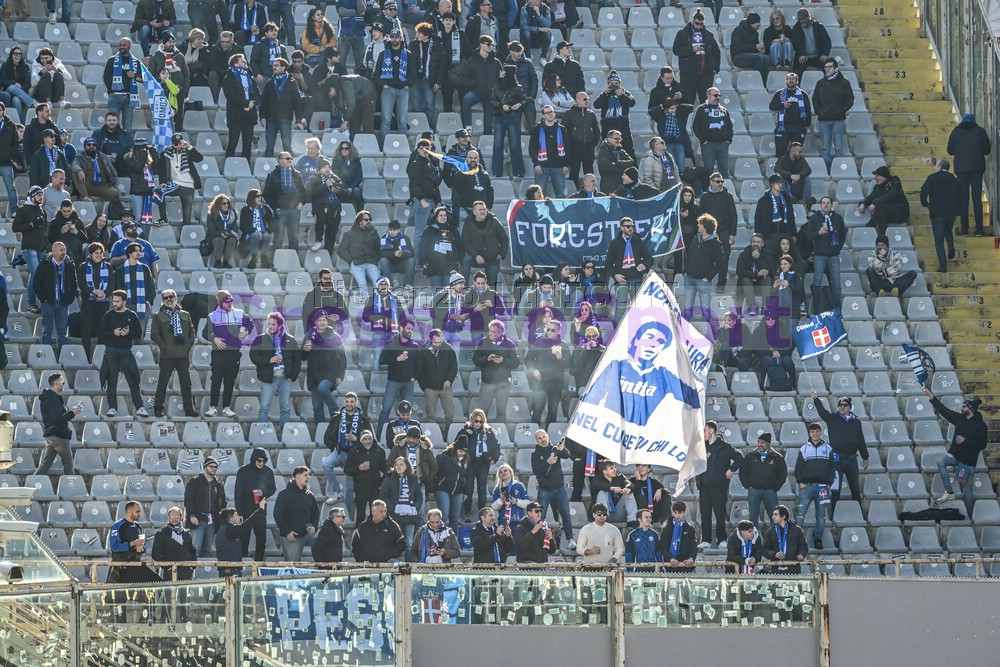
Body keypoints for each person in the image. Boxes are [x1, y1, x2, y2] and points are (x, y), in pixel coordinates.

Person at [582, 319, 701, 422]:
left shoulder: (664, 375)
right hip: (613, 430)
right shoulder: (616, 366)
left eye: (660, 341)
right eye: (649, 337)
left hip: (643, 436)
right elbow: (591, 401)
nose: (653, 344)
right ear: (636, 340)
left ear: (663, 348)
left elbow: (693, 399)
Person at [927, 387, 989, 514]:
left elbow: (982, 444)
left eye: (964, 406)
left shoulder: (980, 425)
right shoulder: (959, 419)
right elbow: (944, 411)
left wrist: (965, 440)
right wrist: (931, 397)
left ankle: (970, 517)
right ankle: (949, 491)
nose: (962, 408)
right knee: (941, 462)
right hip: (956, 456)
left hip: (968, 462)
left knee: (967, 492)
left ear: (971, 409)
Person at [202, 290, 254, 417]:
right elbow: (205, 332)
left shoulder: (239, 313)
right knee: (216, 380)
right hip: (218, 353)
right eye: (227, 302)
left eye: (231, 301)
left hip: (234, 353)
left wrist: (246, 332)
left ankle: (227, 408)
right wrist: (214, 339)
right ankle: (213, 407)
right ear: (220, 303)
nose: (230, 304)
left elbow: (251, 324)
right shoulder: (212, 316)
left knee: (229, 381)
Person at [322, 391, 373, 512]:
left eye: (352, 402)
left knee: (350, 487)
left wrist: (357, 439)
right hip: (340, 452)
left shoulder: (363, 419)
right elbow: (327, 436)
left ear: (356, 402)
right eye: (347, 401)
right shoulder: (337, 417)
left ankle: (348, 514)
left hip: (355, 456)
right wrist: (335, 446)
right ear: (344, 402)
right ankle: (337, 492)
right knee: (325, 464)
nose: (349, 404)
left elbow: (370, 441)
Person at [250, 311, 302, 428]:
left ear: (280, 325)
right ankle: (262, 433)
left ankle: (285, 434)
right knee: (264, 408)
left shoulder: (291, 340)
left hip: (285, 379)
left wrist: (293, 376)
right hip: (268, 379)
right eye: (269, 324)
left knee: (285, 408)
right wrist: (269, 360)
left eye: (273, 324)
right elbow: (253, 357)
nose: (270, 326)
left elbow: (297, 359)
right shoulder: (260, 339)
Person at [696, 420, 744, 548]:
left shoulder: (725, 447)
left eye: (705, 430)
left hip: (719, 487)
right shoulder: (701, 447)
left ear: (712, 431)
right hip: (704, 487)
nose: (703, 433)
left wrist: (731, 469)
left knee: (720, 514)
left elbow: (740, 458)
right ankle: (706, 540)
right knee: (705, 514)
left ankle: (722, 539)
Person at [149, 288, 196, 418]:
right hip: (167, 355)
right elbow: (154, 334)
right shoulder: (158, 316)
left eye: (171, 297)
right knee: (163, 383)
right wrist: (164, 346)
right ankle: (158, 408)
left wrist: (187, 347)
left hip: (182, 355)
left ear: (176, 298)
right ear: (163, 300)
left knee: (186, 384)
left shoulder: (185, 314)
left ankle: (189, 409)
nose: (169, 300)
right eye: (165, 298)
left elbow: (192, 333)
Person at [946, 113, 991, 236]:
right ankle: (979, 230)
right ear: (974, 121)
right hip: (977, 170)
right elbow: (987, 150)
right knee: (977, 200)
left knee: (963, 200)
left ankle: (964, 229)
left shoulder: (955, 132)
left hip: (961, 171)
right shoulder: (980, 131)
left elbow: (950, 151)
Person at [794, 422, 837, 550]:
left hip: (823, 487)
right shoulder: (804, 449)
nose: (815, 434)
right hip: (807, 486)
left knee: (821, 515)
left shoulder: (828, 449)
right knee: (800, 514)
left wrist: (829, 483)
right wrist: (800, 482)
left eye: (817, 431)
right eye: (812, 431)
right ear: (809, 433)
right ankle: (797, 540)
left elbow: (832, 468)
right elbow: (798, 468)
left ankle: (818, 538)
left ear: (821, 432)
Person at [530, 430, 575, 550]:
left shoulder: (554, 449)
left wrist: (562, 449)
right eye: (539, 438)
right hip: (544, 490)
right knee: (540, 517)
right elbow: (536, 471)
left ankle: (570, 540)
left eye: (544, 436)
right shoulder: (535, 454)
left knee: (566, 515)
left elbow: (567, 455)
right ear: (536, 441)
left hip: (559, 488)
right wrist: (547, 462)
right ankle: (538, 541)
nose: (543, 439)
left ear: (548, 436)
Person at [376, 321, 421, 437]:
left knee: (406, 412)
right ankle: (379, 437)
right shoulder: (391, 344)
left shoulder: (414, 346)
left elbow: (420, 364)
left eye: (412, 329)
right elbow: (381, 360)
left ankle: (407, 437)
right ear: (401, 328)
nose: (410, 331)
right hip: (393, 382)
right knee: (385, 410)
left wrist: (414, 377)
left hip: (408, 383)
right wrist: (396, 359)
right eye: (408, 328)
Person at [454, 408, 501, 518]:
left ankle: (482, 513)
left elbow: (496, 446)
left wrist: (494, 458)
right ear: (472, 420)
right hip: (470, 462)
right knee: (468, 488)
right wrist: (465, 432)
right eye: (476, 421)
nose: (478, 423)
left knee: (482, 488)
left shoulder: (488, 432)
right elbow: (456, 443)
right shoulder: (466, 430)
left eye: (480, 421)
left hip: (483, 462)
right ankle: (467, 512)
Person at [604, 216, 652, 319]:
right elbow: (608, 263)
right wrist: (615, 275)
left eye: (632, 226)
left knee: (637, 307)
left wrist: (644, 265)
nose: (630, 228)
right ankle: (617, 329)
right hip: (621, 280)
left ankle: (636, 328)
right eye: (628, 226)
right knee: (621, 307)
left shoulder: (638, 241)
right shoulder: (615, 243)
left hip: (636, 278)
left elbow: (649, 259)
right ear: (622, 228)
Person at [472, 319, 521, 420]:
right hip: (487, 382)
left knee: (501, 411)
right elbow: (475, 360)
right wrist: (487, 359)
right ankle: (481, 429)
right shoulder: (483, 342)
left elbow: (516, 362)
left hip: (503, 383)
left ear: (501, 332)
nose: (491, 333)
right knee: (482, 412)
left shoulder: (509, 344)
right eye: (490, 331)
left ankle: (501, 429)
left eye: (494, 332)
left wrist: (503, 360)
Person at [233, 447, 277, 561]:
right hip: (246, 511)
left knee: (261, 540)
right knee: (244, 540)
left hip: (260, 510)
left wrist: (263, 493)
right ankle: (243, 565)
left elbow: (272, 488)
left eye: (263, 461)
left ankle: (258, 564)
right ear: (254, 459)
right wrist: (239, 513)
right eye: (259, 460)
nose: (261, 463)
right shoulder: (243, 471)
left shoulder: (268, 471)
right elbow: (238, 493)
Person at [303, 313, 348, 423]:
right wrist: (304, 349)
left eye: (324, 320)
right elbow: (302, 357)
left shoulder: (334, 336)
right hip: (313, 375)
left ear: (327, 322)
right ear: (315, 322)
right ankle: (321, 428)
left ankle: (334, 409)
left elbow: (342, 358)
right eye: (319, 320)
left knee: (322, 388)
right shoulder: (309, 335)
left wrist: (340, 376)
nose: (322, 322)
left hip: (329, 373)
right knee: (317, 407)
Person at [525, 318, 570, 428]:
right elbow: (528, 359)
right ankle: (534, 433)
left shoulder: (563, 345)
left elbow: (569, 364)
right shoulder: (539, 343)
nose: (550, 332)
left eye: (553, 330)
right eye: (548, 329)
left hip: (556, 383)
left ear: (559, 331)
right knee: (537, 409)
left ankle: (549, 434)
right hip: (541, 382)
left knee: (553, 410)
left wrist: (560, 357)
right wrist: (534, 370)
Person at [34, 372, 81, 475]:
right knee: (68, 463)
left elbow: (54, 416)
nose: (64, 385)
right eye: (62, 383)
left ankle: (32, 481)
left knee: (46, 463)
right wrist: (72, 413)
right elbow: (57, 419)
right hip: (58, 434)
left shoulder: (47, 397)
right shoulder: (53, 399)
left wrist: (64, 410)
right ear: (56, 383)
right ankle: (70, 484)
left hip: (50, 435)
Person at [34, 241, 77, 353]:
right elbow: (36, 283)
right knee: (46, 331)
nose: (64, 252)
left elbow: (74, 283)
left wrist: (69, 299)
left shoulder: (69, 264)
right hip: (48, 303)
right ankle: (45, 355)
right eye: (61, 250)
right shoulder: (44, 264)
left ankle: (62, 355)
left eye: (64, 249)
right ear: (53, 252)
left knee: (62, 332)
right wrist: (44, 299)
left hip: (63, 303)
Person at [804, 196, 845, 312]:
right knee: (817, 280)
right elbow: (808, 236)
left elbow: (842, 235)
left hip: (834, 255)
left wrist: (837, 248)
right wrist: (819, 232)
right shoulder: (814, 218)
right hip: (819, 255)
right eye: (823, 203)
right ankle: (817, 307)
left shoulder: (837, 218)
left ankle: (837, 308)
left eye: (828, 203)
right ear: (820, 205)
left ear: (831, 205)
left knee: (836, 282)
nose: (826, 204)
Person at [261, 150, 306, 255]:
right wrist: (275, 207)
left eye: (291, 158)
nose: (290, 160)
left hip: (295, 210)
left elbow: (303, 191)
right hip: (280, 211)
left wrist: (301, 202)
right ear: (280, 160)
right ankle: (275, 260)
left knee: (294, 238)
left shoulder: (296, 174)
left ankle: (293, 261)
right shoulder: (273, 175)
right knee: (278, 238)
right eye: (287, 158)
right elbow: (266, 193)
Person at [812, 60, 854, 172]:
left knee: (838, 147)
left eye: (830, 67)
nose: (827, 69)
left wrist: (841, 111)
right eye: (826, 67)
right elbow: (815, 99)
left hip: (838, 120)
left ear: (836, 68)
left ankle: (839, 170)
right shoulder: (820, 83)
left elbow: (850, 99)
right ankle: (826, 170)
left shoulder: (844, 82)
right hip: (823, 120)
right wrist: (819, 112)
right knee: (825, 148)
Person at [671, 10, 720, 105]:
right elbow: (676, 50)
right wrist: (691, 50)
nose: (699, 26)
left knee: (705, 102)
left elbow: (716, 52)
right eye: (697, 23)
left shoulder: (708, 35)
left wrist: (715, 68)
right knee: (687, 102)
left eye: (701, 24)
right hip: (688, 73)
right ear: (692, 21)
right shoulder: (682, 34)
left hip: (706, 73)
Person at [156, 133, 203, 227]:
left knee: (187, 217)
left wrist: (189, 147)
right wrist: (162, 182)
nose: (178, 146)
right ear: (172, 143)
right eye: (176, 144)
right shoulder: (165, 153)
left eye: (180, 143)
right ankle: (163, 218)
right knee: (158, 192)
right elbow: (162, 170)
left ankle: (185, 233)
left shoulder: (188, 151)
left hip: (189, 185)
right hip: (175, 184)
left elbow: (199, 158)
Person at [739, 433, 787, 527]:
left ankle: (775, 535)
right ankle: (754, 536)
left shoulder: (777, 457)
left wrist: (776, 487)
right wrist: (748, 486)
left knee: (775, 517)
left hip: (770, 491)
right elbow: (743, 472)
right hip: (754, 490)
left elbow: (783, 474)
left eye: (763, 442)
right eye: (759, 442)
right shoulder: (750, 456)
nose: (760, 444)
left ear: (768, 444)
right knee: (753, 517)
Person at [274, 466, 320, 562]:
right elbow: (278, 515)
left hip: (308, 534)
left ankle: (326, 569)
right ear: (297, 477)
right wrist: (287, 531)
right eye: (305, 475)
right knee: (292, 564)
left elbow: (316, 513)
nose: (308, 477)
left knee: (325, 539)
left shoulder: (309, 495)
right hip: (291, 535)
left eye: (308, 475)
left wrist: (314, 526)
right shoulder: (284, 494)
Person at [77, 242, 115, 358]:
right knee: (86, 331)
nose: (99, 255)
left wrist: (104, 294)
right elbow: (81, 284)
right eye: (96, 253)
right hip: (88, 303)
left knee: (102, 330)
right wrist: (94, 291)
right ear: (91, 254)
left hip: (103, 303)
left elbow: (111, 284)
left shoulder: (108, 266)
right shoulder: (83, 266)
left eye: (101, 253)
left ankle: (100, 357)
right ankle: (85, 357)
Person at [920, 159, 959, 272]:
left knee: (939, 240)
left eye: (936, 165)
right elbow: (960, 194)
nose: (935, 168)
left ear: (940, 166)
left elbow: (923, 191)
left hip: (937, 212)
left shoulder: (932, 178)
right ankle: (950, 244)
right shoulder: (954, 179)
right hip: (951, 212)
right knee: (948, 229)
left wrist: (925, 204)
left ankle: (943, 265)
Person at [683, 214, 724, 320]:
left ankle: (707, 329)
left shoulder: (716, 244)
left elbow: (719, 263)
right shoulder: (695, 239)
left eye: (700, 224)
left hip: (703, 281)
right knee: (687, 308)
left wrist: (708, 277)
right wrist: (686, 271)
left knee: (705, 310)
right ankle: (685, 328)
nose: (698, 225)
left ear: (705, 226)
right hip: (689, 278)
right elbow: (689, 255)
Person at [183, 456, 226, 557]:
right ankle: (193, 567)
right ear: (205, 467)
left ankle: (204, 568)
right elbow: (188, 500)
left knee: (207, 550)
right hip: (198, 519)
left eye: (215, 467)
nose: (213, 469)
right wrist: (191, 515)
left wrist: (220, 517)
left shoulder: (218, 485)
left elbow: (223, 503)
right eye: (211, 466)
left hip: (212, 521)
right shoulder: (194, 481)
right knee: (196, 548)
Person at [380, 457, 423, 553]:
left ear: (407, 466)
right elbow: (383, 496)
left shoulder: (413, 479)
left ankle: (409, 562)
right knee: (394, 542)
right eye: (397, 465)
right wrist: (393, 508)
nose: (398, 467)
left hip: (410, 515)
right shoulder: (388, 479)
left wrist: (415, 508)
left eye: (401, 464)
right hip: (395, 515)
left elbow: (419, 495)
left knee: (409, 543)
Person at [221, 53, 260, 161]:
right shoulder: (229, 78)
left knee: (247, 145)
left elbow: (257, 94)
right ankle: (228, 165)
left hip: (249, 116)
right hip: (235, 116)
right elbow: (230, 96)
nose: (246, 63)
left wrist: (252, 104)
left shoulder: (249, 77)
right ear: (236, 64)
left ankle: (246, 166)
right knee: (233, 142)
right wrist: (246, 103)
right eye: (243, 61)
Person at [490, 64, 527, 178]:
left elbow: (524, 100)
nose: (501, 73)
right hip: (500, 116)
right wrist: (502, 106)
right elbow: (492, 100)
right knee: (497, 145)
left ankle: (518, 171)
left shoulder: (517, 87)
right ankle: (497, 171)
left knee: (515, 145)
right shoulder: (496, 85)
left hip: (513, 116)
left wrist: (519, 104)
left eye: (504, 72)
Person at [406, 139, 443, 249]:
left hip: (431, 201)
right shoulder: (415, 164)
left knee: (429, 233)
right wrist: (422, 200)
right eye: (422, 148)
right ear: (418, 150)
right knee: (419, 233)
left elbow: (435, 185)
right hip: (422, 202)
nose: (424, 150)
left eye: (427, 148)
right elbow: (414, 185)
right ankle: (417, 259)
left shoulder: (430, 163)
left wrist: (438, 201)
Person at [108, 501, 157, 584]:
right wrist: (132, 544)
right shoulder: (118, 525)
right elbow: (114, 546)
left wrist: (141, 549)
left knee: (157, 582)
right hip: (121, 566)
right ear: (129, 512)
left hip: (136, 564)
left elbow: (143, 544)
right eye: (137, 512)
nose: (140, 514)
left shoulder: (138, 526)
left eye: (140, 511)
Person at [377, 28, 414, 136]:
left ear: (401, 38)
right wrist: (383, 85)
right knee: (386, 120)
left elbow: (413, 73)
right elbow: (377, 74)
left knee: (402, 121)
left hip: (403, 91)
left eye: (397, 37)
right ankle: (384, 144)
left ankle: (403, 144)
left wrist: (408, 85)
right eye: (392, 37)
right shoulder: (383, 54)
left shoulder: (408, 54)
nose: (394, 39)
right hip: (388, 90)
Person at [346, 430, 388, 523]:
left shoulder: (380, 451)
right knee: (360, 514)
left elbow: (385, 469)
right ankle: (360, 531)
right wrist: (358, 468)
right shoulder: (354, 452)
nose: (368, 441)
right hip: (360, 489)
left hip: (375, 489)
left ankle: (376, 531)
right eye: (365, 439)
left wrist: (380, 484)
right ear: (361, 440)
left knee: (376, 515)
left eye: (369, 439)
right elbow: (347, 470)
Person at [215, 502, 266, 577]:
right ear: (231, 518)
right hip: (231, 571)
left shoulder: (222, 529)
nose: (238, 517)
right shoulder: (230, 530)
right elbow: (247, 524)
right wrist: (260, 510)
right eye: (236, 515)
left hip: (226, 569)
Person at [594, 71, 636, 159]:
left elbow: (632, 103)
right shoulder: (605, 94)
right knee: (608, 150)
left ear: (620, 84)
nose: (614, 86)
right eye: (612, 84)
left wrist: (621, 95)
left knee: (628, 149)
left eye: (616, 83)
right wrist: (604, 94)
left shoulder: (625, 92)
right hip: (608, 126)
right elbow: (596, 105)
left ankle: (631, 166)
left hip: (623, 126)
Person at [692, 88, 733, 178]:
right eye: (715, 95)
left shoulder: (724, 110)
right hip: (708, 145)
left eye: (719, 95)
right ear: (708, 96)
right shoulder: (701, 109)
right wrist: (703, 141)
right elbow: (695, 127)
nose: (718, 97)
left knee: (724, 172)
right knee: (708, 171)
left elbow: (730, 127)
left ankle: (725, 187)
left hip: (723, 145)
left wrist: (728, 140)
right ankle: (708, 187)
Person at [859, 165, 910, 237]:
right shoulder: (877, 187)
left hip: (901, 213)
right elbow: (871, 197)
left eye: (878, 176)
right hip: (888, 214)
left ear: (884, 176)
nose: (875, 178)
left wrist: (874, 203)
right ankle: (882, 237)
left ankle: (868, 229)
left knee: (881, 207)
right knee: (881, 214)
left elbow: (892, 195)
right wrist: (863, 204)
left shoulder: (895, 182)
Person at [563, 91, 600, 187]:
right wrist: (570, 144)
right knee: (574, 171)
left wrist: (592, 143)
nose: (587, 101)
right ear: (577, 100)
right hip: (575, 147)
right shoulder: (569, 114)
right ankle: (574, 191)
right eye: (584, 99)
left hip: (588, 147)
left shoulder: (591, 114)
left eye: (588, 99)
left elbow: (596, 131)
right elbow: (564, 131)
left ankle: (591, 191)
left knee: (589, 171)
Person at [866, 234, 918, 299]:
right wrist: (880, 257)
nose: (880, 247)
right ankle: (879, 292)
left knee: (913, 273)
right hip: (879, 282)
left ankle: (898, 291)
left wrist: (884, 272)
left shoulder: (895, 254)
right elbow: (874, 267)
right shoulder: (872, 254)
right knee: (869, 270)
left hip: (893, 281)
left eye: (882, 245)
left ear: (887, 246)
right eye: (878, 245)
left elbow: (897, 268)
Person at [151, 507, 197, 580]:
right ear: (168, 517)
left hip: (187, 572)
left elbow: (193, 551)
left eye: (177, 517)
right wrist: (167, 566)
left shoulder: (186, 533)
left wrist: (192, 567)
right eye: (172, 517)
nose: (174, 519)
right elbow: (155, 554)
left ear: (181, 517)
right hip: (170, 572)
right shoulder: (162, 533)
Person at [589, 460, 638, 528]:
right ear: (604, 471)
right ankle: (602, 517)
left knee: (629, 493)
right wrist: (612, 488)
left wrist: (628, 488)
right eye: (611, 468)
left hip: (617, 513)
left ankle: (633, 522)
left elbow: (630, 484)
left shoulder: (620, 477)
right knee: (602, 492)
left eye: (615, 467)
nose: (615, 470)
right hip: (602, 516)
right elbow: (598, 485)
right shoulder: (597, 479)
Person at [734, 233, 774, 314]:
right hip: (746, 286)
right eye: (754, 242)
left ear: (762, 244)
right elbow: (739, 271)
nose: (756, 244)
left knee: (767, 278)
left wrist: (758, 259)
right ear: (751, 243)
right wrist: (756, 274)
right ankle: (752, 307)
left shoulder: (768, 254)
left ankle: (765, 307)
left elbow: (772, 271)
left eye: (758, 242)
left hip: (761, 286)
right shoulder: (744, 254)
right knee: (745, 279)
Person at [761, 504, 808, 574]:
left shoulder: (797, 530)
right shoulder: (770, 532)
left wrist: (801, 554)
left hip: (794, 570)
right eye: (773, 514)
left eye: (775, 514)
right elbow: (764, 550)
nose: (772, 517)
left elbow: (803, 546)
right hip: (776, 571)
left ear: (783, 516)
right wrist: (774, 554)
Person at [730, 12, 769, 86]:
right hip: (738, 57)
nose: (760, 24)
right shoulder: (738, 30)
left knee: (766, 58)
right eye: (758, 22)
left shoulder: (755, 33)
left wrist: (760, 50)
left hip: (751, 56)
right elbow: (738, 47)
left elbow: (755, 48)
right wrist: (755, 47)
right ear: (752, 22)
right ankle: (757, 83)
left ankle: (764, 82)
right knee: (759, 58)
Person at [238, 189, 273, 269]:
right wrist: (255, 231)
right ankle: (253, 260)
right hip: (249, 236)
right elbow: (243, 226)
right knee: (255, 235)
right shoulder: (245, 210)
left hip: (262, 235)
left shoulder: (265, 209)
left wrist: (266, 231)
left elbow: (273, 223)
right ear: (252, 197)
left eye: (261, 196)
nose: (260, 198)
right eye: (257, 196)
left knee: (266, 236)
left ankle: (264, 259)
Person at [790, 8, 831, 76]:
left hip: (818, 57)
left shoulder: (819, 26)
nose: (801, 21)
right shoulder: (796, 29)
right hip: (804, 57)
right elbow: (797, 44)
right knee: (799, 70)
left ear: (808, 17)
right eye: (799, 19)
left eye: (803, 19)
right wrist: (801, 54)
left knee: (829, 66)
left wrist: (824, 54)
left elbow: (827, 41)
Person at [660, 501, 697, 571]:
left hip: (686, 566)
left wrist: (691, 558)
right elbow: (663, 547)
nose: (677, 516)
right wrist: (670, 558)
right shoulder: (666, 528)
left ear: (684, 512)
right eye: (675, 513)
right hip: (670, 565)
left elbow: (694, 546)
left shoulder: (690, 528)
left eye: (679, 513)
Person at [377, 219, 416, 285]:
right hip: (389, 266)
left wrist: (402, 254)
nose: (392, 232)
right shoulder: (383, 238)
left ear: (398, 230)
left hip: (402, 265)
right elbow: (381, 253)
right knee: (382, 260)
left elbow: (412, 253)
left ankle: (407, 283)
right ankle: (388, 283)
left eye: (394, 230)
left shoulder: (405, 238)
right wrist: (394, 254)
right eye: (390, 230)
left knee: (411, 260)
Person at [596, 129, 635, 194]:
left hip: (622, 185)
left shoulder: (622, 152)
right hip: (609, 186)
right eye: (616, 138)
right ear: (609, 139)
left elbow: (631, 162)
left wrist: (617, 163)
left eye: (619, 139)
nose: (618, 141)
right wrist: (624, 169)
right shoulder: (603, 152)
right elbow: (608, 168)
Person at [774, 141, 812, 206]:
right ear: (793, 151)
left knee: (807, 178)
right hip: (786, 183)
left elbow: (808, 170)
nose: (801, 154)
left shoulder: (801, 159)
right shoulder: (782, 159)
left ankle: (807, 201)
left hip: (797, 183)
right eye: (799, 152)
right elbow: (777, 169)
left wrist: (799, 176)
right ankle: (788, 198)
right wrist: (790, 176)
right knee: (780, 178)